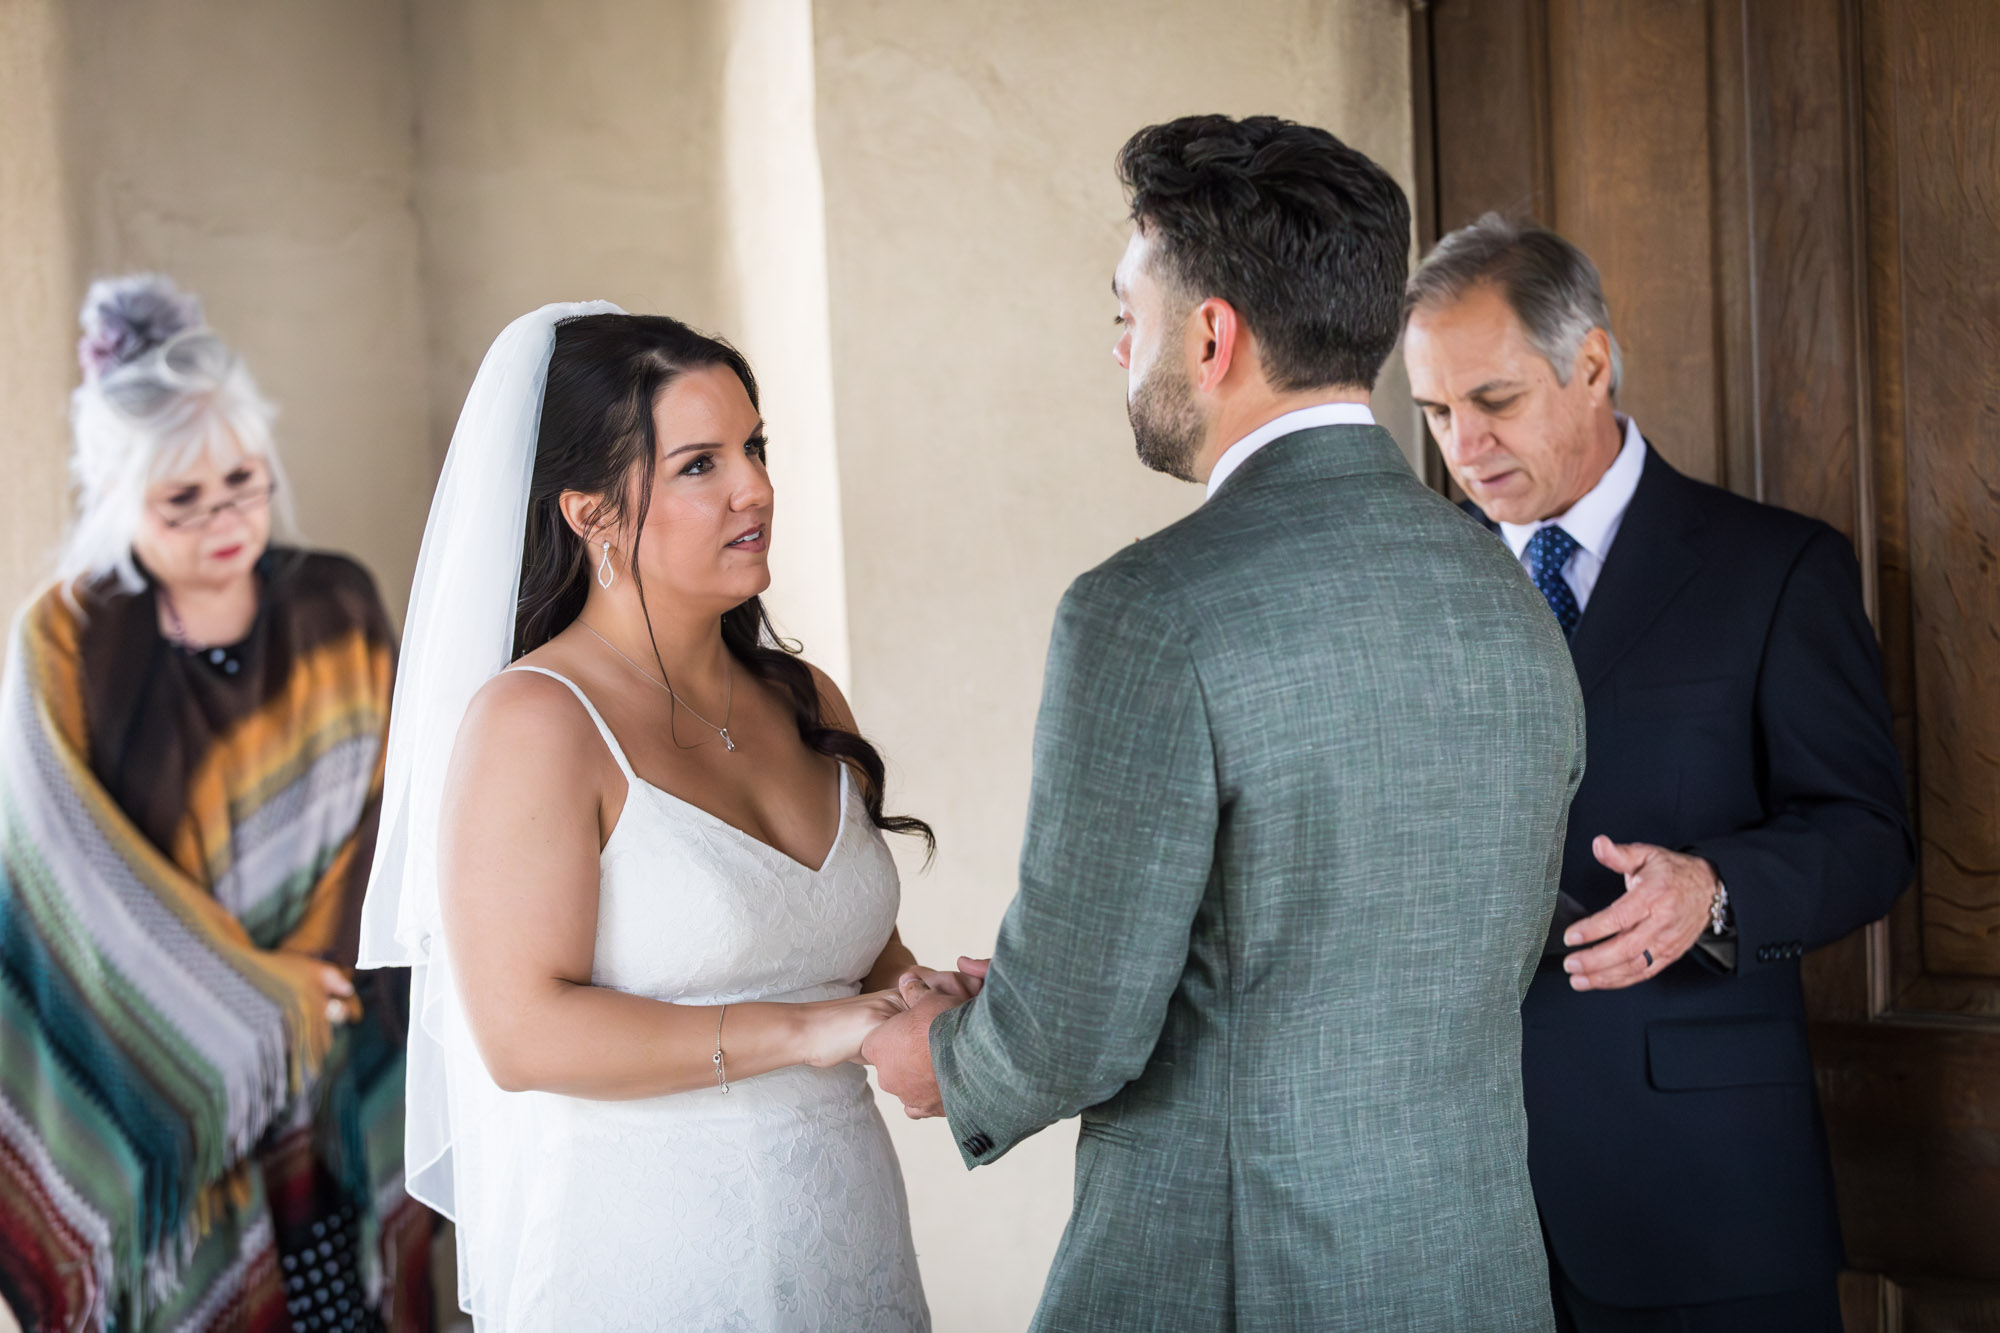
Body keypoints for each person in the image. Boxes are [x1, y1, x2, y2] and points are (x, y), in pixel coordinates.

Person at [864, 114, 1586, 1331]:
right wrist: (1096, 966)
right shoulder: (1502, 590)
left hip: (1239, 1272)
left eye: (1123, 317)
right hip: (1468, 1267)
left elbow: (1070, 1035)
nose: (1117, 352)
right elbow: (1401, 935)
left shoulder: (1142, 610)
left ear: (1210, 335)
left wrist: (943, 1051)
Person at [358, 306, 945, 1331]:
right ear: (589, 514)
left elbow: (860, 960)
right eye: (698, 464)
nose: (753, 486)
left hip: (849, 1239)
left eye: (753, 448)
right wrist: (814, 1029)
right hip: (646, 1253)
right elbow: (523, 1034)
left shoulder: (804, 697)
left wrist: (940, 1000)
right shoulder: (536, 721)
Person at [1400, 214, 1912, 1331]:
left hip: (1703, 1198)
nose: (1462, 446)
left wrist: (1713, 890)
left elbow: (1867, 837)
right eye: (1434, 412)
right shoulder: (1407, 590)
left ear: (1588, 364)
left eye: (1491, 401)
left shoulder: (1774, 570)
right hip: (1444, 1208)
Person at [0, 275, 431, 1331]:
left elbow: (392, 805)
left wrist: (313, 981)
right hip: (169, 1058)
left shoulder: (335, 601)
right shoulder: (69, 639)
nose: (223, 520)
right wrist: (249, 997)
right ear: (116, 500)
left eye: (241, 482)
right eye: (179, 503)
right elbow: (65, 867)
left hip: (343, 1045)